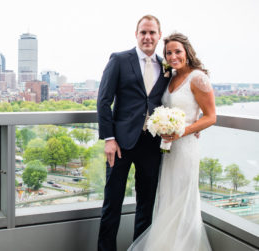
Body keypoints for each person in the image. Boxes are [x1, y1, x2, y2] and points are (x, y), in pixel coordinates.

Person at [128, 33, 216, 251]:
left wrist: (185, 130)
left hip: (185, 149)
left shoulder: (198, 78)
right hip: (167, 149)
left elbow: (211, 116)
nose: (173, 55)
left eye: (177, 51)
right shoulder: (171, 76)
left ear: (187, 51)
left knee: (182, 198)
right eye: (169, 52)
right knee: (167, 196)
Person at [97, 15, 171, 251]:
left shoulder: (166, 66)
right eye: (143, 32)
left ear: (159, 36)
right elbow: (103, 101)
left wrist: (191, 125)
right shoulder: (119, 60)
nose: (147, 37)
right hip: (119, 144)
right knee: (112, 203)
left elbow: (170, 101)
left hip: (151, 145)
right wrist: (109, 138)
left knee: (146, 205)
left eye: (152, 33)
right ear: (136, 35)